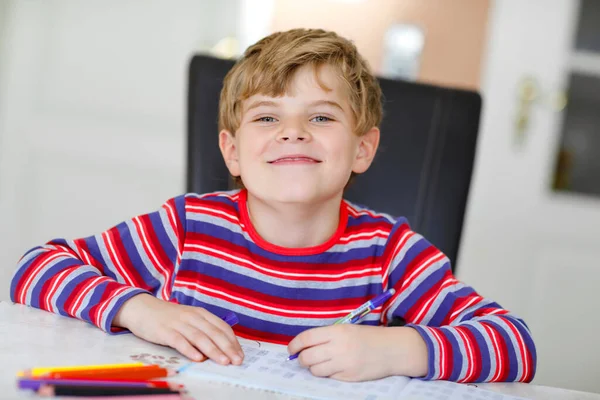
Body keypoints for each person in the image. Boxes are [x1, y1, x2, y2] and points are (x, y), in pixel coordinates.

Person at [10, 28, 536, 383]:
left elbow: (514, 345)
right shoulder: (186, 227)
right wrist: (140, 309)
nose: (292, 134)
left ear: (363, 148)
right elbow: (35, 270)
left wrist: (396, 350)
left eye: (322, 117)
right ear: (232, 152)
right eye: (267, 118)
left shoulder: (391, 253)